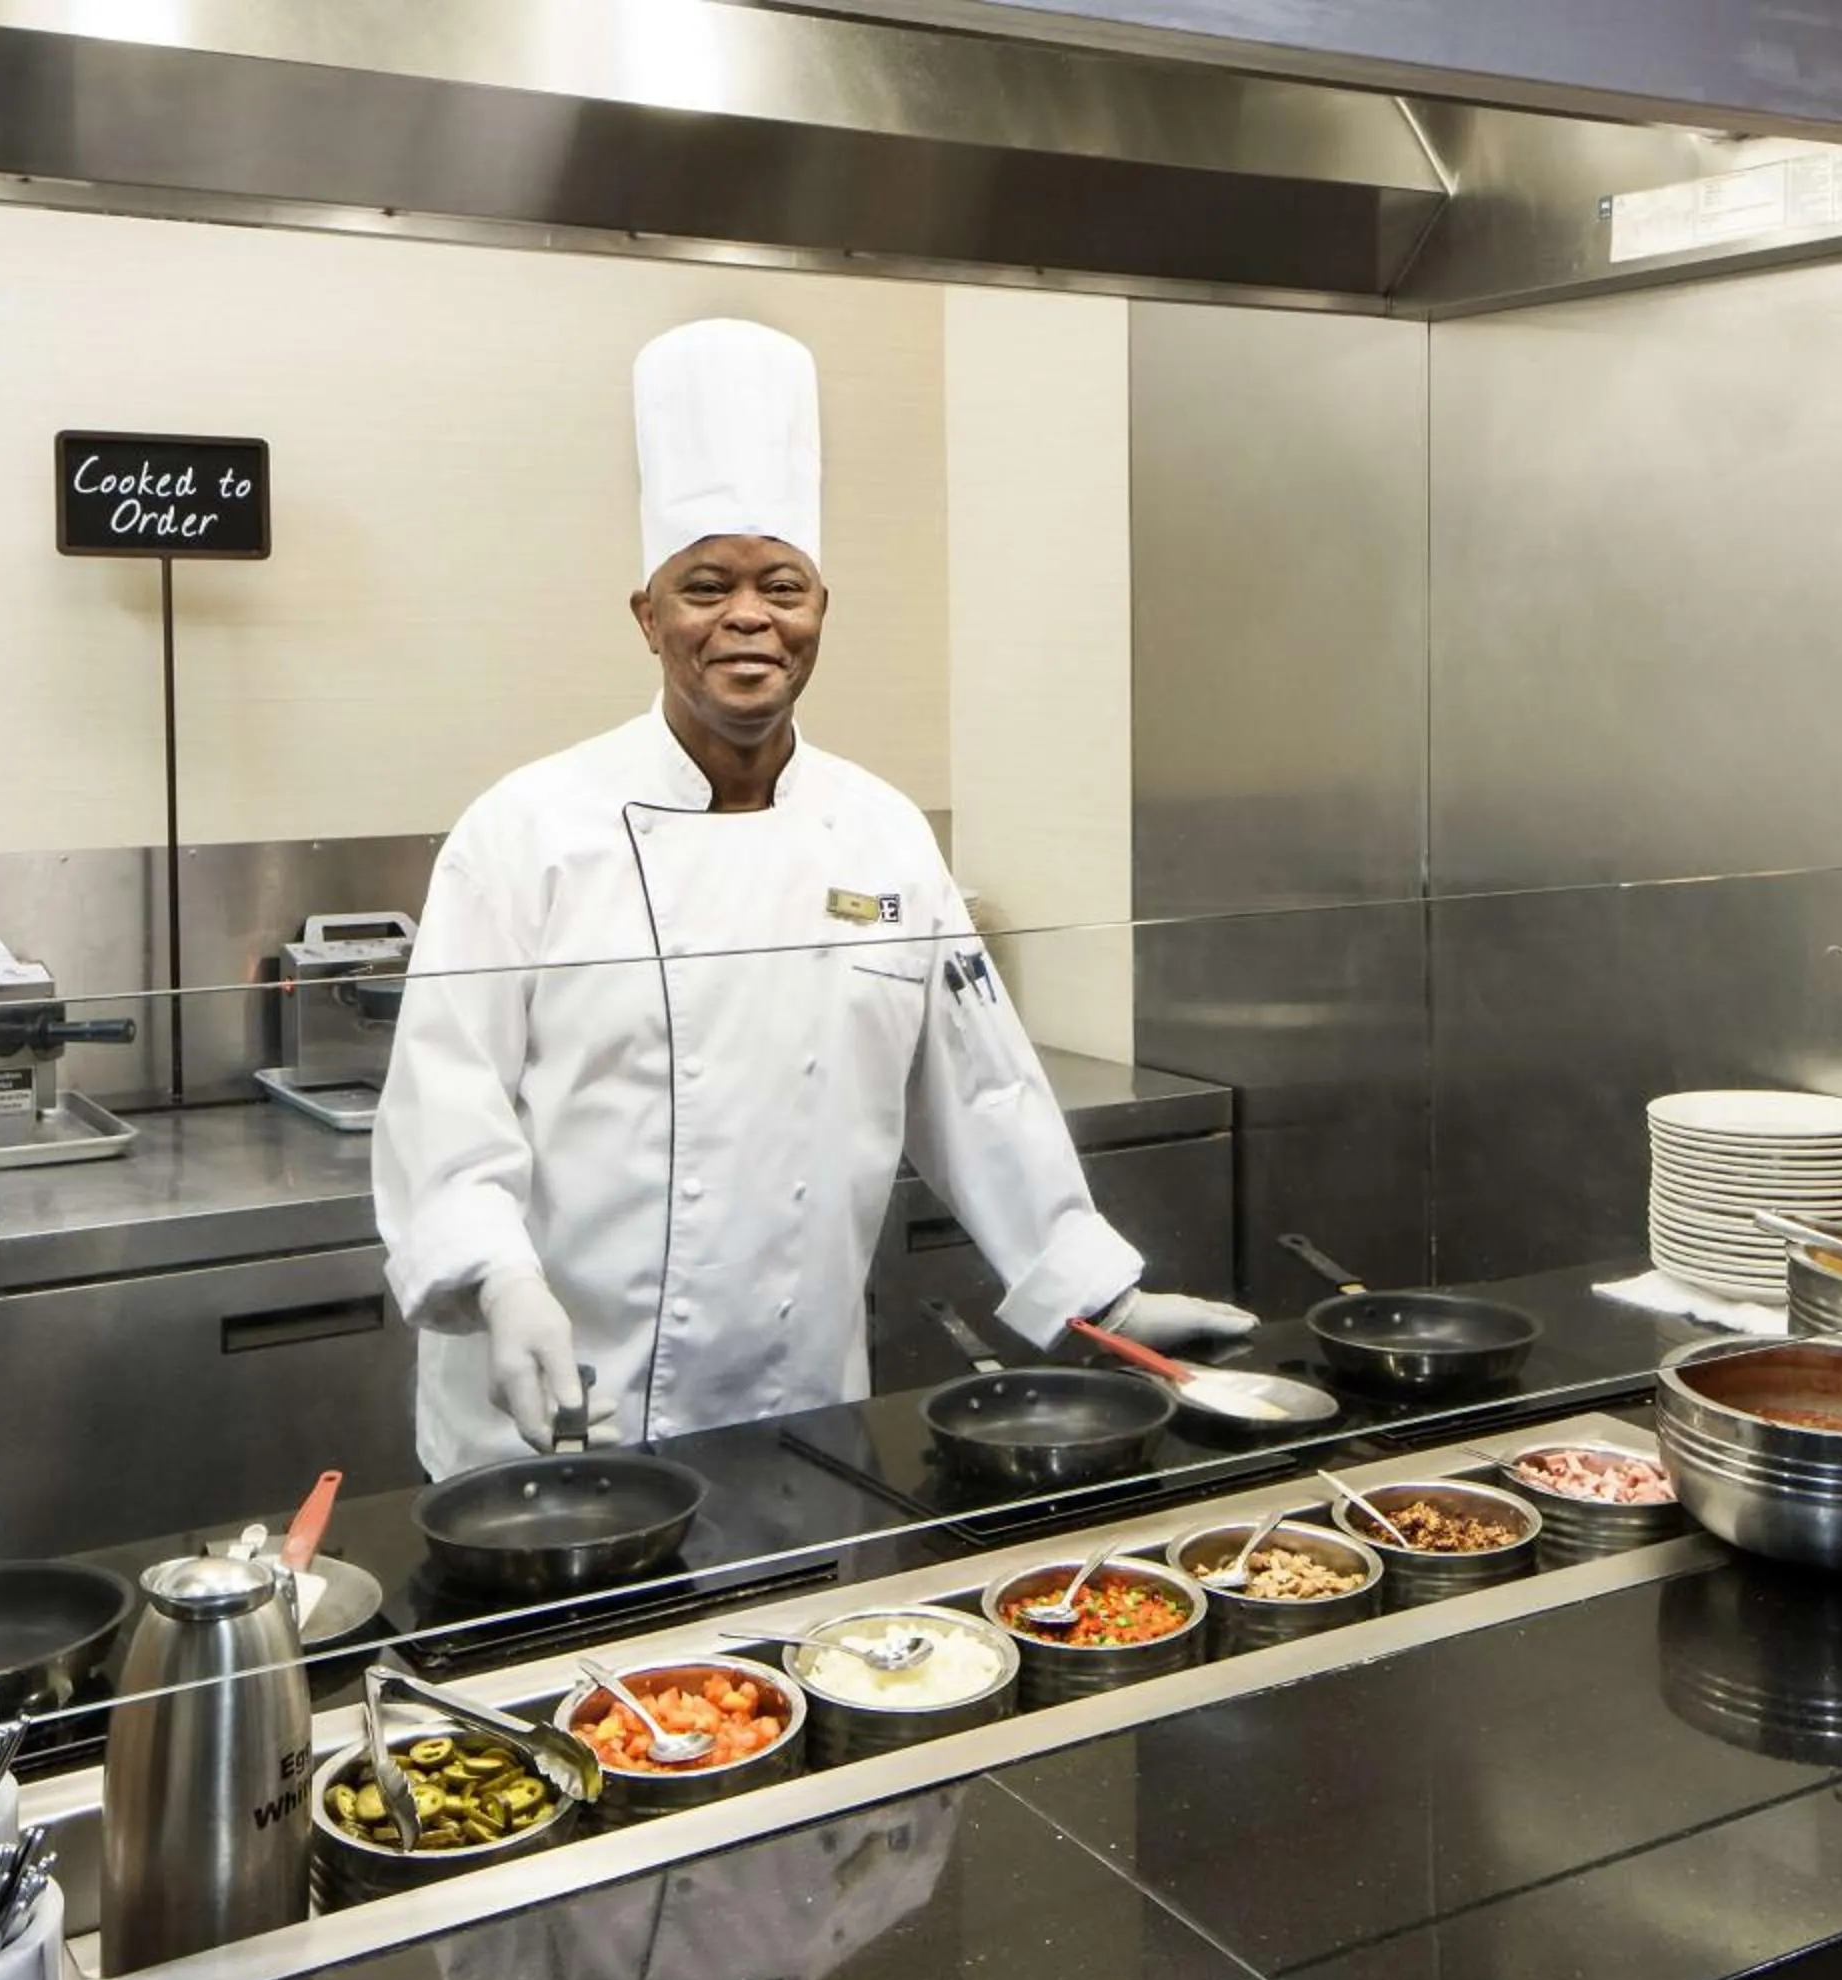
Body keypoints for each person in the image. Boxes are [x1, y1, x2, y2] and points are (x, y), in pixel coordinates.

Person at [374, 319, 1249, 1473]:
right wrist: (494, 1277)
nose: (748, 616)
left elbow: (979, 1092)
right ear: (648, 616)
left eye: (781, 585)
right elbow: (447, 1096)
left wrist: (1103, 1297)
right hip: (555, 1414)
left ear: (821, 610)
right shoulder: (528, 830)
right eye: (707, 586)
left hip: (800, 1401)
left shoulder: (882, 834)